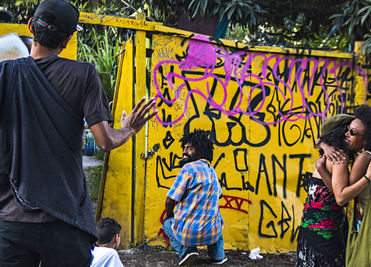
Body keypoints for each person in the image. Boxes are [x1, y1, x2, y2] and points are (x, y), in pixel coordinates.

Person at [0, 0, 156, 266]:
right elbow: (105, 142)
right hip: (64, 220)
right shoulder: (82, 74)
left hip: (11, 220)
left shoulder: (4, 74)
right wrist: (129, 128)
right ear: (68, 39)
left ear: (30, 26)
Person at [297, 105, 371, 266]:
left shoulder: (356, 158)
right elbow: (341, 196)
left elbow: (340, 196)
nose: (347, 134)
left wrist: (322, 155)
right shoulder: (341, 158)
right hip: (325, 232)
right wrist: (323, 146)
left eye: (353, 132)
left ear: (367, 138)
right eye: (346, 129)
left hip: (315, 228)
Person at [162, 129, 227, 266]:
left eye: (189, 148)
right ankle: (218, 256)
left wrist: (169, 216)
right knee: (216, 215)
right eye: (184, 148)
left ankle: (187, 251)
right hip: (212, 233)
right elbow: (219, 195)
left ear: (201, 151)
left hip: (188, 234)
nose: (184, 152)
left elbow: (170, 200)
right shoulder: (212, 170)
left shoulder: (187, 169)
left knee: (168, 224)